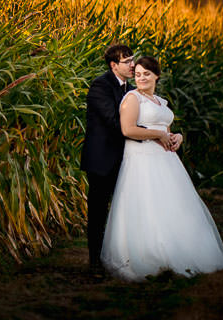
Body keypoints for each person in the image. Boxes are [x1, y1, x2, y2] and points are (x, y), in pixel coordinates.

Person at [101, 55, 223, 281]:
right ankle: (151, 255)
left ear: (156, 76)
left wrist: (176, 137)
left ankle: (183, 251)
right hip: (142, 160)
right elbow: (128, 130)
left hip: (167, 161)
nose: (141, 78)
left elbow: (167, 131)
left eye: (146, 74)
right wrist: (158, 134)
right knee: (148, 205)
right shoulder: (132, 98)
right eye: (138, 74)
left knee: (173, 205)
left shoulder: (161, 102)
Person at [80, 43, 136, 274]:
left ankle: (123, 257)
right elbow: (115, 122)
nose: (133, 65)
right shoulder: (100, 86)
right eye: (127, 61)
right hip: (102, 161)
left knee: (126, 210)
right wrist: (148, 134)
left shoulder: (131, 89)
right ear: (114, 65)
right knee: (98, 212)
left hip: (127, 160)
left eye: (133, 60)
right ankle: (95, 262)